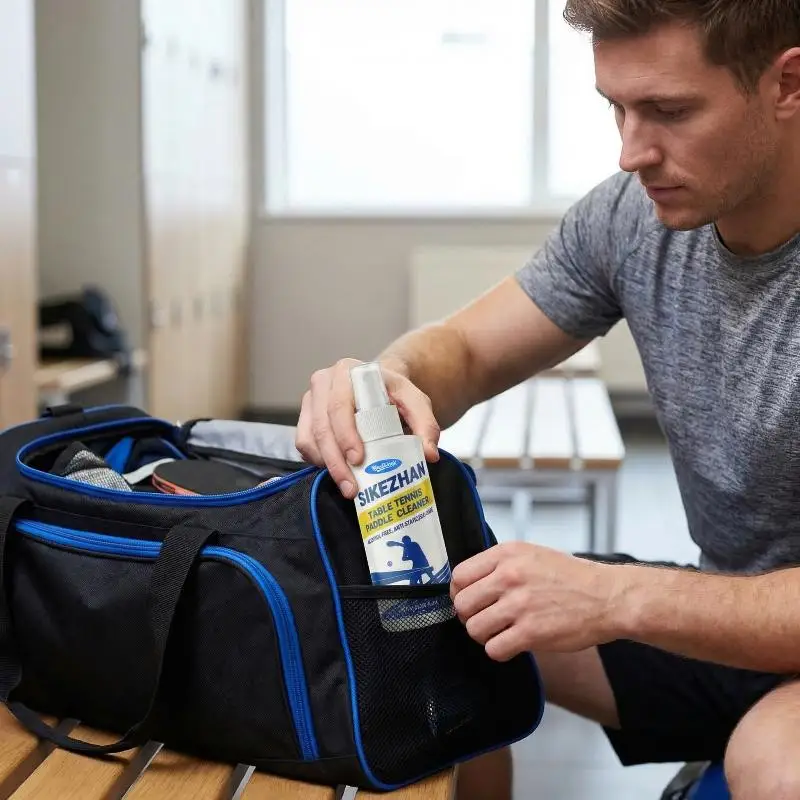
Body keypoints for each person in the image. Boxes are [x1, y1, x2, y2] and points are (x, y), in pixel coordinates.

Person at [295, 1, 800, 798]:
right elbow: (464, 351)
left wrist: (618, 597)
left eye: (670, 111)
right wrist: (386, 381)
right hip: (727, 620)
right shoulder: (631, 217)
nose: (632, 152)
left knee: (774, 763)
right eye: (616, 108)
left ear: (788, 85)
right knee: (448, 624)